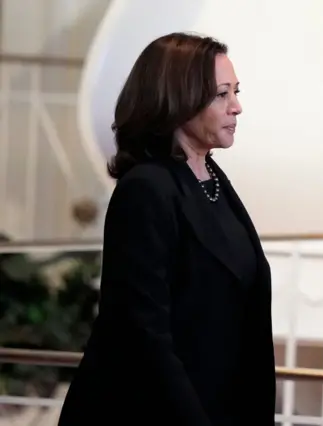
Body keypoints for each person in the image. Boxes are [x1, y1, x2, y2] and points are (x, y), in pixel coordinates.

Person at [58, 32, 275, 425]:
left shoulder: (211, 176)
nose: (237, 107)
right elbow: (143, 334)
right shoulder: (147, 189)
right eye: (221, 95)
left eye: (236, 92)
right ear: (179, 101)